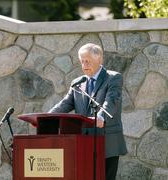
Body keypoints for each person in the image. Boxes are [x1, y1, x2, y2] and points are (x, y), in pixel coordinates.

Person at [49, 43, 127, 180]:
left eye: (87, 61)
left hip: (107, 141)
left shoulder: (113, 78)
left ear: (100, 60)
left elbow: (111, 101)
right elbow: (65, 104)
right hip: (84, 142)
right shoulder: (78, 83)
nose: (84, 65)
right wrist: (46, 117)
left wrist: (101, 117)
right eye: (82, 61)